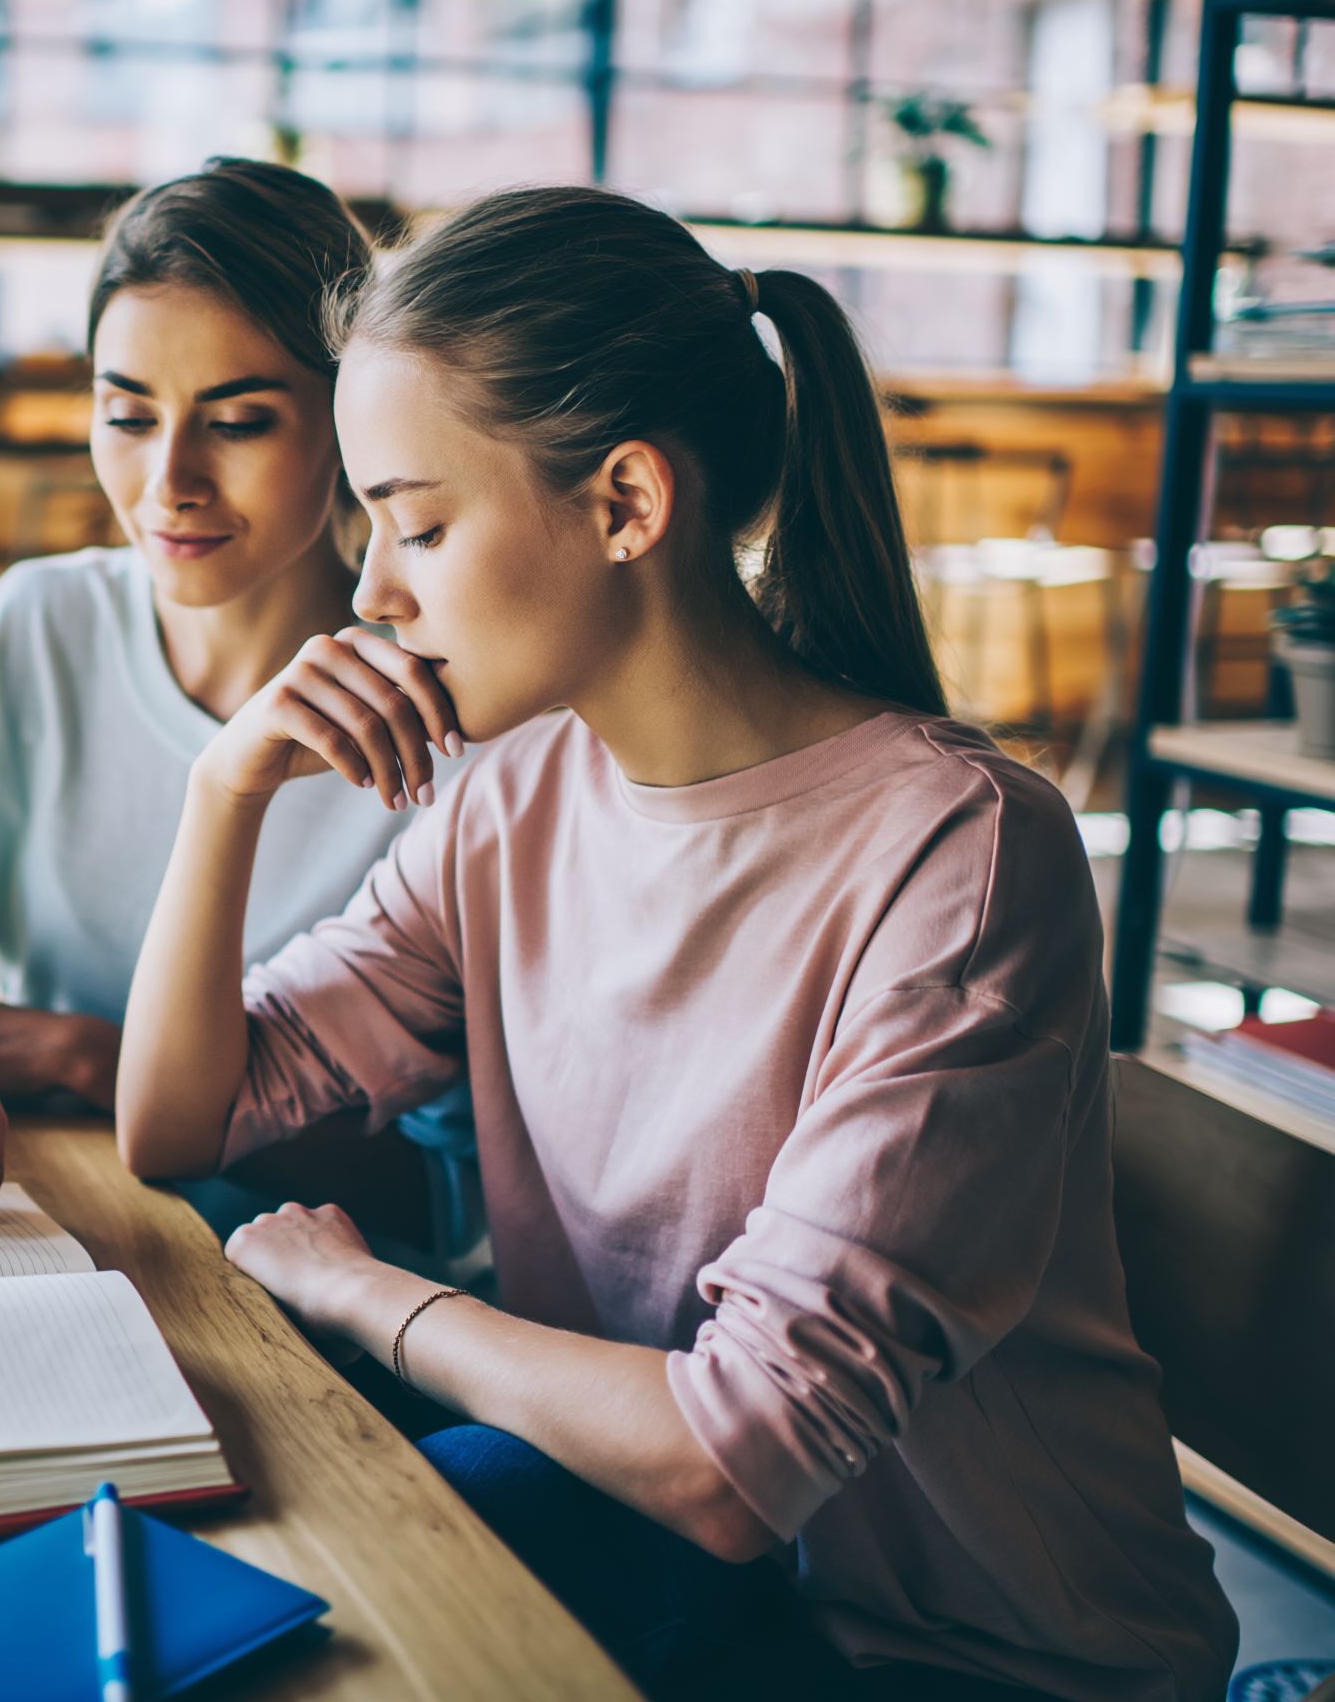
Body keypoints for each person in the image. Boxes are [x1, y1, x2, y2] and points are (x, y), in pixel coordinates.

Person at [113, 186, 1237, 1700]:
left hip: (970, 1658)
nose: (371, 593)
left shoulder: (962, 851)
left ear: (628, 504)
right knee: (315, 1589)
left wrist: (372, 1293)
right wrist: (222, 789)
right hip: (702, 1574)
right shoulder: (506, 798)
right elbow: (178, 1120)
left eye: (419, 522)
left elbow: (735, 1457)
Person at [0, 158, 474, 1261]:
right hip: (41, 1232)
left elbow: (445, 1192)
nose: (169, 479)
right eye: (127, 414)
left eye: (241, 422)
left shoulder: (444, 711)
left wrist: (91, 1056)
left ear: (349, 425)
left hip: (316, 1308)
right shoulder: (33, 630)